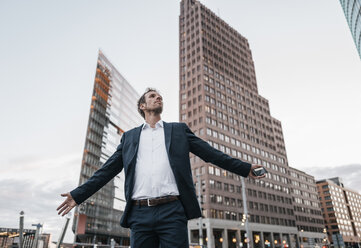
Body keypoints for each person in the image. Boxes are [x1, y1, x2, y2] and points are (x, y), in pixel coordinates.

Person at [57, 88, 266, 248]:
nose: (158, 98)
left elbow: (211, 154)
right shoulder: (130, 137)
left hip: (172, 211)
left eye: (159, 96)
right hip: (139, 214)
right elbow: (107, 170)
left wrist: (245, 168)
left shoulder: (178, 131)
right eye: (152, 96)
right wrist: (78, 194)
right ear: (142, 106)